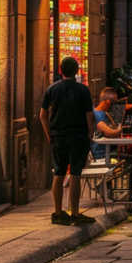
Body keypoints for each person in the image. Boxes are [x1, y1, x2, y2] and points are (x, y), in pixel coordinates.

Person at [40, 57, 96, 226]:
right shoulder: (83, 90)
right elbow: (89, 115)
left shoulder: (52, 89)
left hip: (58, 136)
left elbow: (43, 114)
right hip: (78, 135)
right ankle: (75, 213)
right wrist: (90, 133)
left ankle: (57, 212)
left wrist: (49, 134)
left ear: (60, 70)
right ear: (77, 71)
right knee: (75, 174)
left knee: (58, 173)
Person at [91, 87, 122, 160]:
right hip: (103, 154)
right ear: (108, 102)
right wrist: (120, 129)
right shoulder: (99, 115)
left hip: (105, 152)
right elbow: (109, 132)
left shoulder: (98, 113)